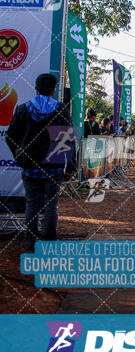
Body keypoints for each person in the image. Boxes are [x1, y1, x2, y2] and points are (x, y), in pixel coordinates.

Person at [5, 73, 75, 252]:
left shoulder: (22, 109)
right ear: (53, 90)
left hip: (29, 165)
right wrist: (70, 165)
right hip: (54, 165)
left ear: (35, 88)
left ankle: (31, 245)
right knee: (51, 205)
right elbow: (67, 139)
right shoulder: (60, 109)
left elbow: (11, 136)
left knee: (32, 205)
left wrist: (19, 155)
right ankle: (51, 244)